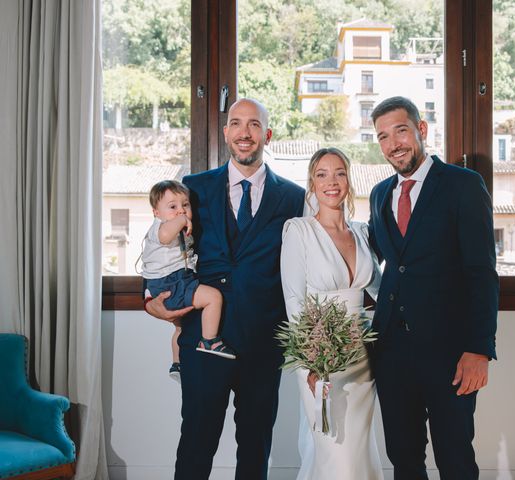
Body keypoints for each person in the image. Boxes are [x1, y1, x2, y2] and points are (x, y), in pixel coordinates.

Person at [144, 98, 305, 480]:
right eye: (236, 123)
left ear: (267, 134)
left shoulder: (295, 198)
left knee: (255, 448)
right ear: (226, 132)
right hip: (203, 340)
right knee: (196, 443)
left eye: (253, 124)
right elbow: (157, 247)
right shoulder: (193, 189)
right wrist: (150, 301)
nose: (244, 132)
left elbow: (307, 263)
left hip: (263, 344)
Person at [367, 96, 499, 480]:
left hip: (450, 353)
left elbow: (481, 272)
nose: (394, 144)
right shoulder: (378, 195)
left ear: (421, 130)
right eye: (383, 137)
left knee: (454, 457)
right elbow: (381, 262)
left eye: (401, 131)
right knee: (404, 459)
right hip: (391, 352)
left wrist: (479, 348)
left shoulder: (463, 185)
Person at [280, 147, 384, 480]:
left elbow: (383, 291)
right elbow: (294, 299)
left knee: (357, 450)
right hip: (319, 354)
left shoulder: (362, 233)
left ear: (349, 180)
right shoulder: (298, 231)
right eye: (322, 174)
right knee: (331, 448)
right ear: (312, 183)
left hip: (362, 354)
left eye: (339, 172)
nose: (332, 181)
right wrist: (311, 361)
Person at [140, 180, 236, 381]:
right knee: (213, 298)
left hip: (172, 280)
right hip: (170, 282)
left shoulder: (179, 229)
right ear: (156, 213)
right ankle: (209, 340)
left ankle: (177, 363)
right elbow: (166, 236)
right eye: (172, 206)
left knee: (179, 328)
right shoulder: (160, 229)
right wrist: (182, 220)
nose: (181, 211)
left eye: (185, 205)